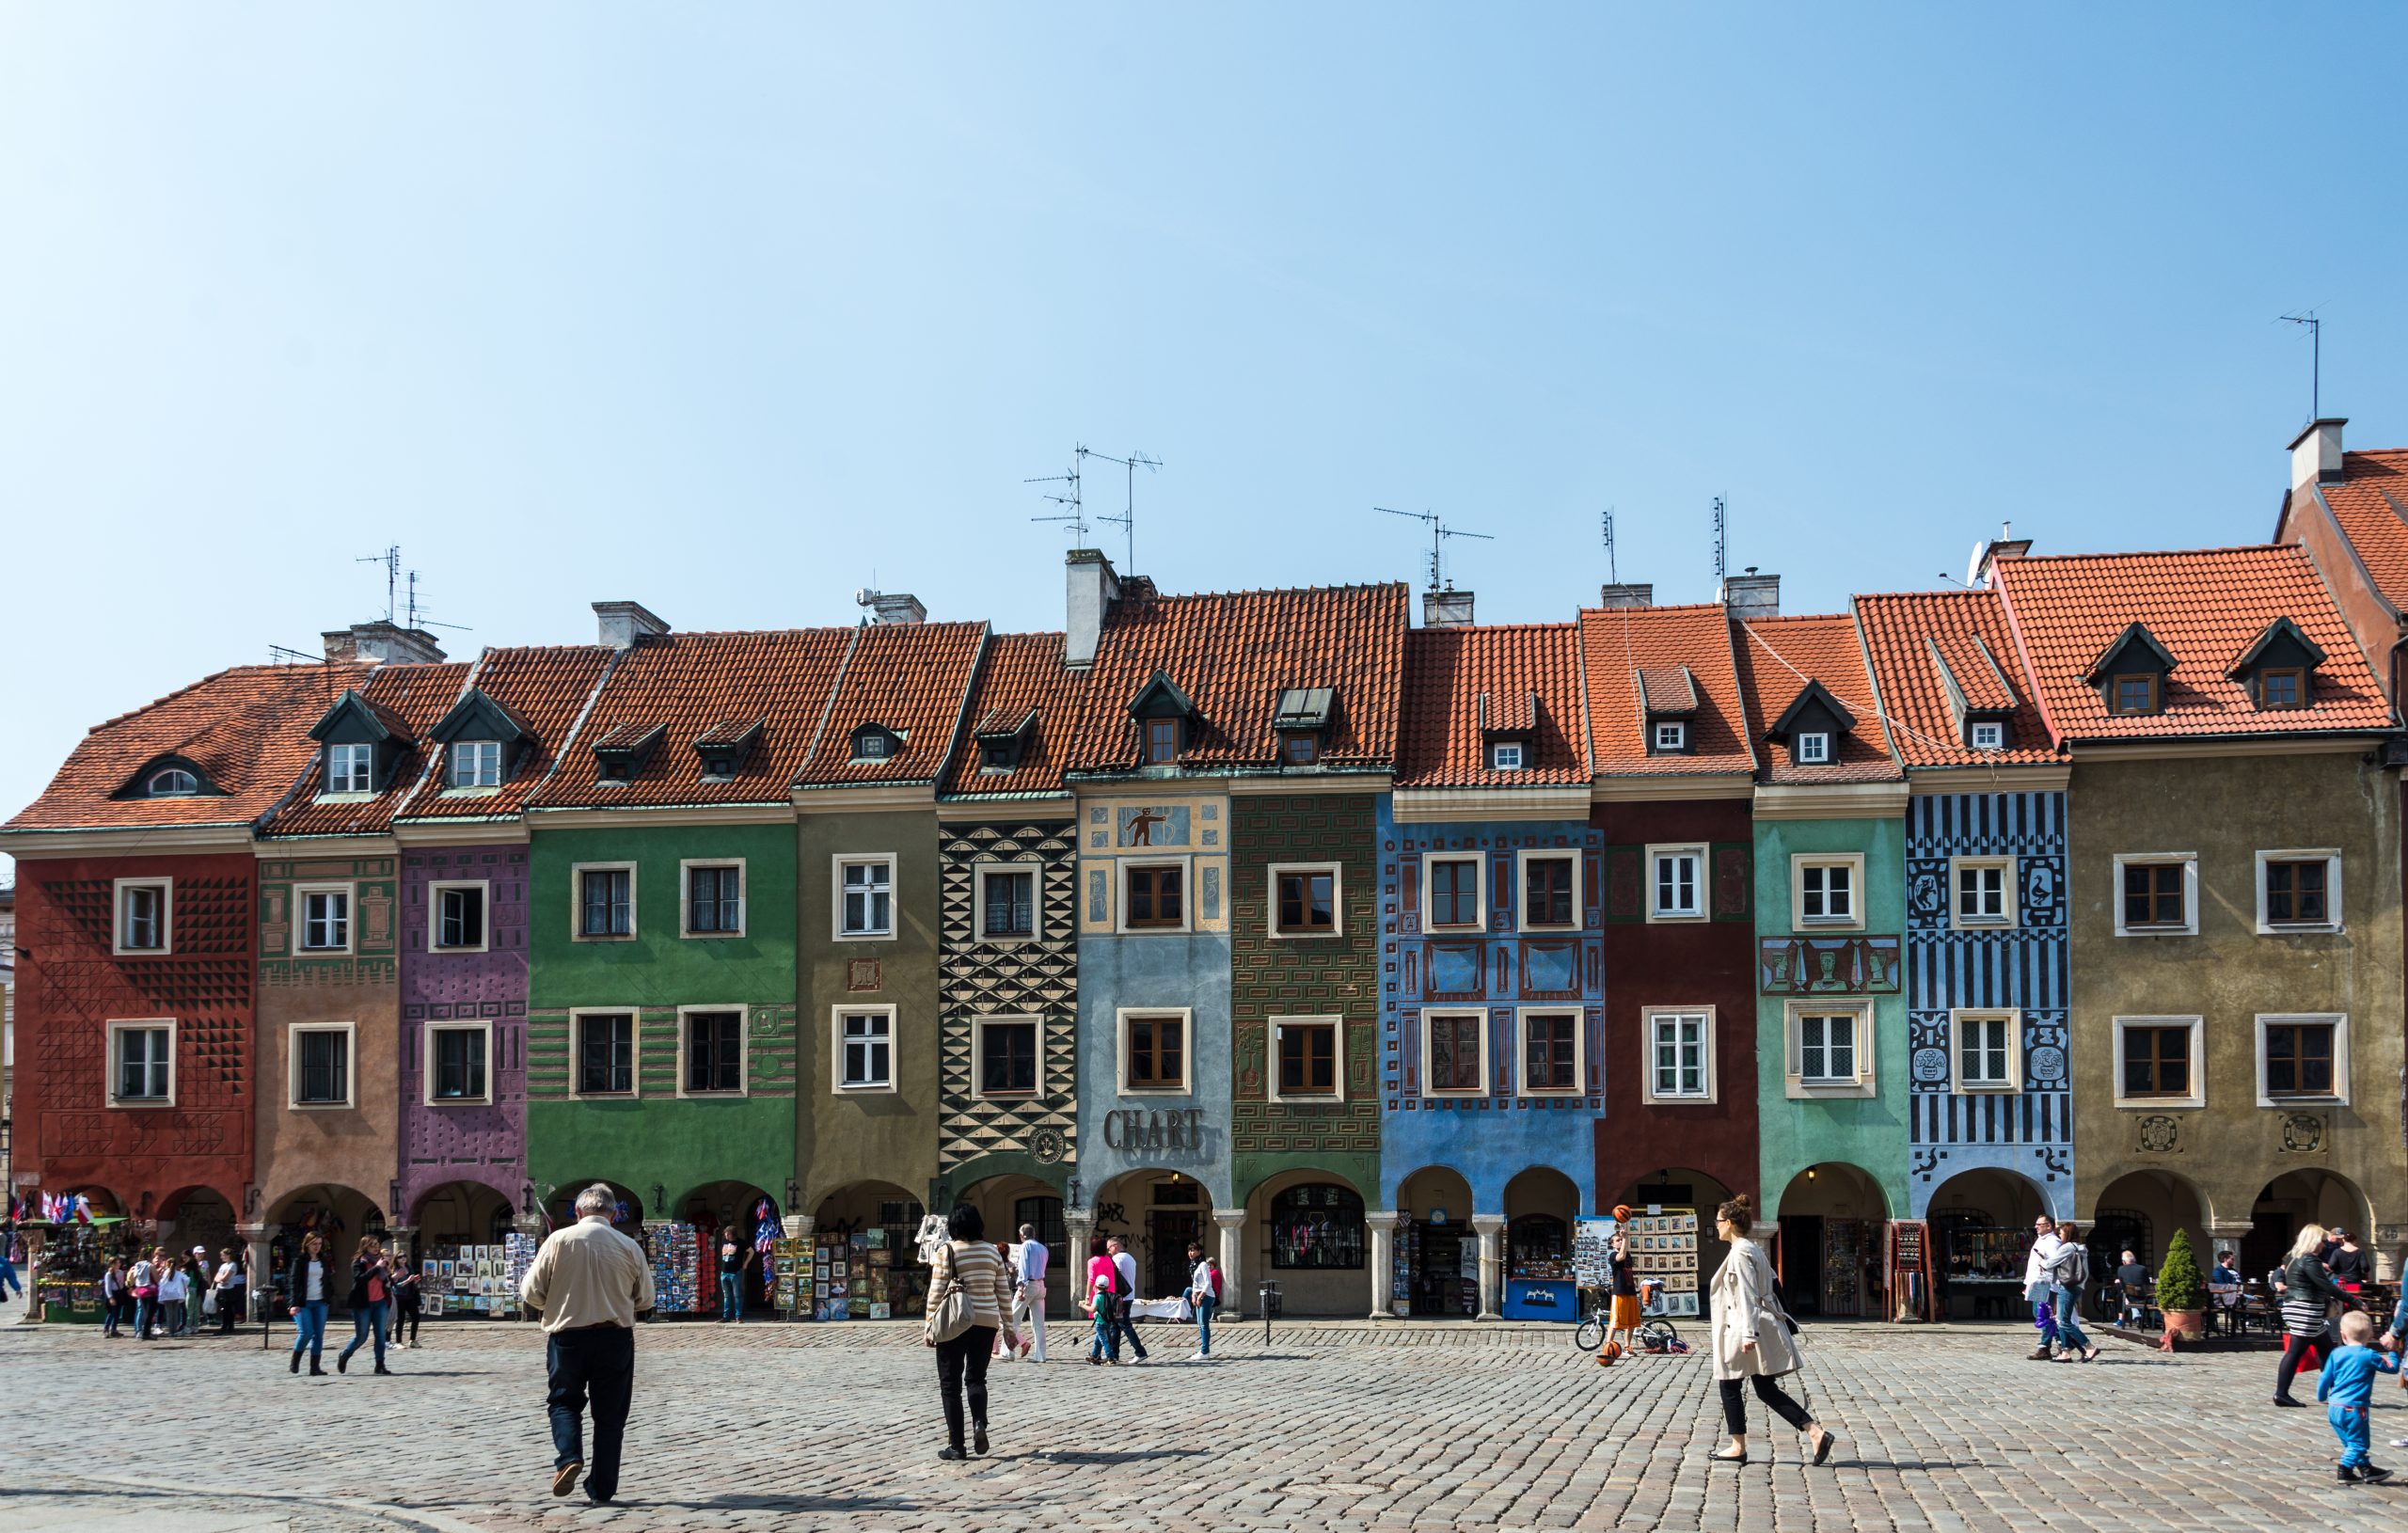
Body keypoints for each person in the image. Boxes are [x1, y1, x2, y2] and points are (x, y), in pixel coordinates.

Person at [519, 1182, 656, 1506]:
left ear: (578, 1211)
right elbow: (646, 1298)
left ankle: (568, 1457)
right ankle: (602, 1488)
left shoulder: (558, 1241)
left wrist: (554, 1302)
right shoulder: (628, 1246)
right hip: (614, 1337)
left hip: (568, 1336)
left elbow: (530, 1292)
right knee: (610, 1417)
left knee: (564, 1401)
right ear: (614, 1213)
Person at [1706, 1195, 1836, 1466]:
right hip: (1756, 1325)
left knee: (1729, 1383)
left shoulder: (1741, 1252)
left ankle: (1737, 1446)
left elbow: (1748, 1295)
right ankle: (1815, 1432)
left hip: (1745, 1327)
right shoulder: (1751, 1248)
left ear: (1729, 1223)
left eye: (1718, 1221)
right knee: (1764, 1388)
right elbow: (1772, 1286)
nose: (1716, 1225)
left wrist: (1748, 1334)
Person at [921, 1204, 1016, 1461]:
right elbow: (1003, 1293)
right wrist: (1009, 1327)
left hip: (953, 1322)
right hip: (985, 1323)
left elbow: (936, 1291)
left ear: (953, 1227)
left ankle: (957, 1445)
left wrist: (929, 1325)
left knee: (950, 1385)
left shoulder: (947, 1251)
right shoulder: (992, 1253)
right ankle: (980, 1422)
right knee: (976, 1379)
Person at [2317, 1309, 2399, 1483]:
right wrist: (2392, 1350)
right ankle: (2344, 1470)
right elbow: (2392, 1367)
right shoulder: (2369, 1355)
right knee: (2359, 1444)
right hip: (2354, 1408)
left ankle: (2366, 1469)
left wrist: (2321, 1395)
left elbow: (2325, 1377)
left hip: (2334, 1408)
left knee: (2350, 1442)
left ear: (2342, 1335)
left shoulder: (2336, 1353)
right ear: (2370, 1335)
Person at [2276, 1222, 2348, 1408]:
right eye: (2322, 1241)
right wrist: (2355, 1301)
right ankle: (2281, 1394)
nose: (2324, 1245)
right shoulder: (2310, 1260)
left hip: (2299, 1307)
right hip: (2305, 1308)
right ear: (2314, 1241)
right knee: (2295, 1352)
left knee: (2326, 1350)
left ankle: (2335, 1392)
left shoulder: (2292, 1257)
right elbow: (2327, 1286)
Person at [337, 1235, 393, 1375]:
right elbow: (360, 1279)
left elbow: (386, 1280)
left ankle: (380, 1365)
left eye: (376, 1244)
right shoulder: (359, 1262)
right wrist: (376, 1267)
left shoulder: (382, 1261)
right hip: (363, 1304)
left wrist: (391, 1275)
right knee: (362, 1337)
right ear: (364, 1247)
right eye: (371, 1245)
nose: (375, 1247)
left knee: (380, 1335)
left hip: (380, 1302)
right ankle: (344, 1355)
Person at [2049, 1222, 2099, 1363]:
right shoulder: (2081, 1248)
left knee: (2063, 1321)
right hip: (2077, 1286)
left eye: (2061, 1232)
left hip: (2067, 1286)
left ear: (2068, 1233)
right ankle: (2065, 1352)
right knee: (2061, 1319)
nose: (2059, 1234)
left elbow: (2051, 1263)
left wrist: (2041, 1262)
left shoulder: (2067, 1247)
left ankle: (2089, 1347)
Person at [1598, 1210, 1641, 1367]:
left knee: (1632, 1322)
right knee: (1615, 1322)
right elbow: (1621, 1256)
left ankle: (1627, 1346)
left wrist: (1625, 1231)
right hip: (1620, 1292)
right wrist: (1624, 1238)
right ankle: (1608, 1347)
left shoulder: (1627, 1253)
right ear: (1612, 1244)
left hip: (1630, 1291)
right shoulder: (1612, 1255)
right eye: (1616, 1240)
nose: (1618, 1242)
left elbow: (1625, 1254)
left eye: (1619, 1240)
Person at [288, 1232, 333, 1376]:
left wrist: (329, 1295)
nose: (317, 1247)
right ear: (307, 1244)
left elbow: (328, 1280)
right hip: (303, 1303)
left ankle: (315, 1367)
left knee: (318, 1335)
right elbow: (294, 1283)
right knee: (306, 1333)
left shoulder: (323, 1260)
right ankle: (295, 1361)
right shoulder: (300, 1260)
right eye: (314, 1244)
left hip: (320, 1302)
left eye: (319, 1244)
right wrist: (294, 1303)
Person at [2021, 1215, 2062, 1360]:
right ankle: (2061, 1342)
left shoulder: (2053, 1242)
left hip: (2046, 1284)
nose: (2036, 1226)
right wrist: (2028, 1283)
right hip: (2037, 1283)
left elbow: (2054, 1262)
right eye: (2036, 1224)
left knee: (2044, 1316)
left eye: (2039, 1224)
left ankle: (2045, 1347)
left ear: (2049, 1226)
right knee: (2040, 1315)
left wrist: (2042, 1264)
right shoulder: (2042, 1239)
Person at [1106, 1236, 1150, 1365]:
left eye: (1109, 1248)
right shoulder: (1130, 1257)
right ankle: (1114, 1354)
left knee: (1124, 1324)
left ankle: (1140, 1352)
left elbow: (1115, 1278)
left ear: (1115, 1246)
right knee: (1115, 1326)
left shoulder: (1117, 1259)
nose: (1109, 1252)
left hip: (1121, 1298)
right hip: (1128, 1297)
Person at [1011, 1223, 1049, 1363]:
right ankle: (1040, 1355)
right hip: (1040, 1285)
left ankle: (1008, 1352)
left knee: (1013, 1319)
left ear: (1022, 1235)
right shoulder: (1043, 1248)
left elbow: (1024, 1267)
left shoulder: (1025, 1246)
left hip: (1029, 1285)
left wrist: (1021, 1287)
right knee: (1039, 1324)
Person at [1085, 1239, 1123, 1366]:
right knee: (1102, 1326)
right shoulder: (1108, 1259)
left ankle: (1110, 1356)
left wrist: (1086, 1298)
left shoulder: (1092, 1261)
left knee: (1100, 1327)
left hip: (1099, 1296)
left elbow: (1091, 1280)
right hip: (1110, 1297)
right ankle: (1095, 1355)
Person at [1185, 1243, 1220, 1360]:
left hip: (1207, 1296)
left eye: (1194, 1250)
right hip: (1199, 1295)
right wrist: (1194, 1296)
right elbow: (1195, 1284)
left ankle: (1205, 1351)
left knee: (1204, 1324)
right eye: (1189, 1250)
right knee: (1200, 1324)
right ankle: (1204, 1350)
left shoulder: (1203, 1264)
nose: (1191, 1252)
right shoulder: (1193, 1265)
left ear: (1200, 1251)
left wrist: (1200, 1296)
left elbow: (1207, 1283)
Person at [2329, 1228, 2371, 1302]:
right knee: (2354, 1301)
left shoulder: (2337, 1252)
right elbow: (2365, 1267)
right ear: (2354, 1241)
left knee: (2337, 1301)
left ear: (2344, 1240)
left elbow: (2331, 1265)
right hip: (2354, 1283)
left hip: (2339, 1283)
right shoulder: (2360, 1252)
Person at [715, 1232, 749, 1323]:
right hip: (724, 1273)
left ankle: (738, 1317)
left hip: (736, 1272)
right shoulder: (724, 1241)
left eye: (727, 1234)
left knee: (737, 1295)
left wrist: (745, 1263)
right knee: (727, 1296)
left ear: (732, 1234)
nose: (725, 1236)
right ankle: (726, 1317)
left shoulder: (741, 1242)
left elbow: (751, 1251)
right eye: (725, 1234)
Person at [213, 1247, 246, 1335]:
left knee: (228, 1309)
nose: (222, 1257)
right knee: (224, 1309)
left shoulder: (232, 1265)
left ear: (229, 1255)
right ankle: (225, 1326)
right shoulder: (223, 1266)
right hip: (221, 1289)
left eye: (223, 1255)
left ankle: (228, 1327)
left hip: (229, 1289)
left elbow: (225, 1278)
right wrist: (220, 1279)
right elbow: (216, 1278)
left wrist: (221, 1279)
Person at [156, 1254, 190, 1339]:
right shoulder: (179, 1273)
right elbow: (187, 1280)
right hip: (176, 1295)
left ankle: (171, 1331)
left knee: (169, 1313)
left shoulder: (164, 1273)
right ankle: (175, 1330)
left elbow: (160, 1283)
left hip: (167, 1296)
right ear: (176, 1265)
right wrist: (183, 1286)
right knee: (175, 1313)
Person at [2113, 1250, 2150, 1328]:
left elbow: (2122, 1283)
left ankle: (2121, 1319)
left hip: (2128, 1296)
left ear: (2124, 1261)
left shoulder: (2121, 1269)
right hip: (2142, 1296)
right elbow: (2147, 1283)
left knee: (2118, 1289)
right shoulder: (2142, 1268)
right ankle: (2142, 1317)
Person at [100, 1256, 129, 1337]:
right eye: (117, 1263)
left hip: (119, 1293)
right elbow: (107, 1287)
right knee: (111, 1313)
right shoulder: (109, 1274)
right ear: (112, 1264)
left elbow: (122, 1284)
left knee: (117, 1313)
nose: (119, 1264)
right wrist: (110, 1298)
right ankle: (106, 1329)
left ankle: (114, 1330)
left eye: (119, 1263)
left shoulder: (121, 1272)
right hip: (113, 1294)